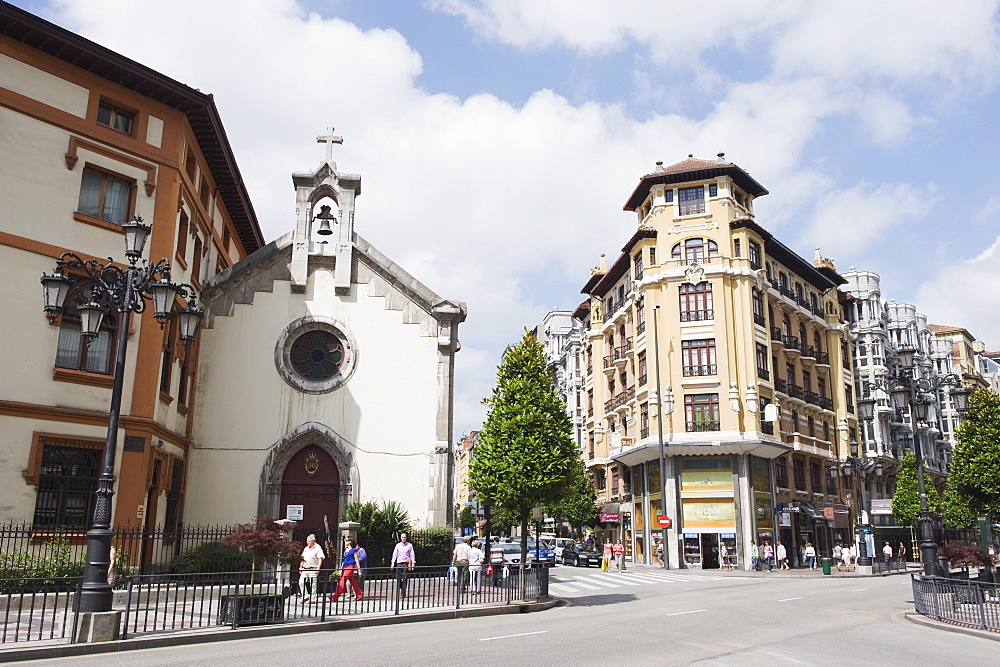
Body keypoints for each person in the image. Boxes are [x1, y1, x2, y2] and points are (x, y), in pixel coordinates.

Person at [330, 536, 363, 602]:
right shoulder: (345, 550)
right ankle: (359, 595)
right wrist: (340, 569)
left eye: (346, 540)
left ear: (350, 541)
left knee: (342, 580)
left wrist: (359, 570)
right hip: (345, 567)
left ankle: (335, 596)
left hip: (351, 566)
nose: (345, 541)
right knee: (352, 581)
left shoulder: (354, 550)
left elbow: (356, 560)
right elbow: (343, 560)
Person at [298, 534, 325, 603]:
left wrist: (318, 568)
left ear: (313, 541)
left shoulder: (318, 548)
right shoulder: (306, 548)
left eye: (308, 541)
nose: (307, 542)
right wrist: (301, 566)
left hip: (313, 568)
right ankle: (305, 596)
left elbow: (320, 558)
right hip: (305, 568)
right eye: (307, 541)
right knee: (301, 582)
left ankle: (312, 598)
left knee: (313, 584)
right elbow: (302, 558)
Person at [390, 532, 415, 598]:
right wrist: (392, 563)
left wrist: (413, 564)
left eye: (404, 537)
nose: (403, 538)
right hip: (399, 563)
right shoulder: (398, 545)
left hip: (405, 563)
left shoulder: (409, 545)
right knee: (398, 577)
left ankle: (403, 592)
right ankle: (402, 588)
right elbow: (395, 554)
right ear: (400, 538)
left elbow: (412, 555)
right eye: (402, 537)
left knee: (405, 578)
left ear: (406, 538)